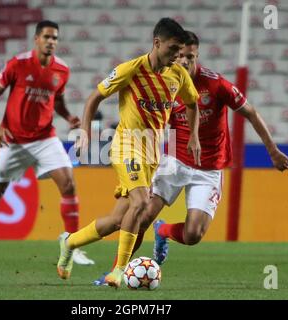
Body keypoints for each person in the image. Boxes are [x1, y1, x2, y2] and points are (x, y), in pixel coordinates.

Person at [93, 31, 288, 285]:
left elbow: (250, 112)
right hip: (174, 160)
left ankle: (163, 231)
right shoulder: (165, 81)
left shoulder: (216, 84)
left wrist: (272, 150)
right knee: (141, 216)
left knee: (194, 234)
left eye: (190, 57)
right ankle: (116, 272)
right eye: (180, 56)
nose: (184, 61)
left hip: (209, 167)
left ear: (197, 56)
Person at [56, 18, 201, 288]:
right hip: (126, 145)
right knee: (141, 204)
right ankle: (120, 271)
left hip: (151, 153)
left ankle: (70, 242)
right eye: (172, 50)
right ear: (157, 43)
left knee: (116, 221)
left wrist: (193, 136)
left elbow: (192, 103)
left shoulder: (178, 75)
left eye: (180, 52)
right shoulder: (131, 69)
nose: (177, 57)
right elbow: (94, 98)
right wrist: (86, 132)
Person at [0, 20, 94, 266]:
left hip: (45, 138)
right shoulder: (18, 64)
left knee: (68, 183)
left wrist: (68, 116)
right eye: (47, 37)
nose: (51, 42)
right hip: (13, 140)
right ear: (36, 39)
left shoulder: (62, 70)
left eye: (55, 38)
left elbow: (56, 99)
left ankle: (73, 244)